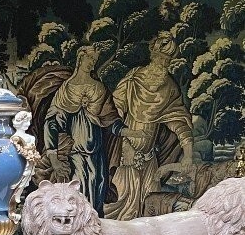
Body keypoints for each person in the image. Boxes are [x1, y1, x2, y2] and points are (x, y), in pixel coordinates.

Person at [107, 33, 195, 220]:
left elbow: (179, 121)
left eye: (168, 60)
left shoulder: (169, 87)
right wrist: (125, 146)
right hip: (126, 158)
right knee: (120, 210)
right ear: (153, 55)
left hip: (149, 162)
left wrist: (188, 153)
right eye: (161, 58)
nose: (164, 64)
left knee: (149, 210)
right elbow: (113, 114)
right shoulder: (133, 79)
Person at [43, 46, 122, 214]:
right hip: (75, 154)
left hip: (97, 154)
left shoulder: (99, 88)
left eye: (95, 60)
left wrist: (130, 132)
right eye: (89, 58)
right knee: (77, 196)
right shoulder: (66, 89)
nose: (92, 63)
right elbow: (52, 122)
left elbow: (111, 120)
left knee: (97, 194)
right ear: (80, 59)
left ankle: (96, 227)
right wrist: (53, 156)